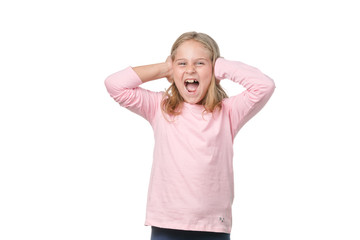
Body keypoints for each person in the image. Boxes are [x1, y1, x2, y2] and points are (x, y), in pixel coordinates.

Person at [104, 31, 275, 240]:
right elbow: (115, 85)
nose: (191, 70)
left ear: (213, 69)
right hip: (166, 224)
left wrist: (220, 66)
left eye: (200, 63)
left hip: (213, 227)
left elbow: (264, 86)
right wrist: (165, 68)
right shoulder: (160, 107)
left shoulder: (229, 112)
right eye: (182, 63)